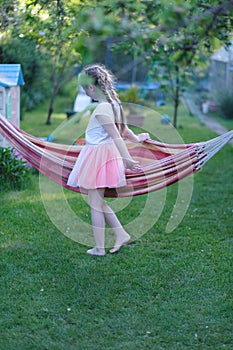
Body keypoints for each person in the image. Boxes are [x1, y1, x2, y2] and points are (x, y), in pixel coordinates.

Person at [67, 64, 149, 256]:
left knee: (95, 203)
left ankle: (99, 248)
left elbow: (116, 135)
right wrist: (137, 139)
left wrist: (127, 160)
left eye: (86, 89)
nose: (87, 94)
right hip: (104, 156)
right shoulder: (114, 104)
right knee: (97, 201)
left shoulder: (102, 108)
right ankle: (121, 234)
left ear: (92, 87)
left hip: (98, 158)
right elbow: (124, 129)